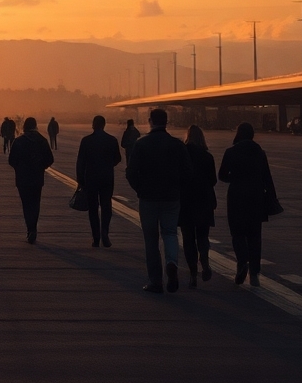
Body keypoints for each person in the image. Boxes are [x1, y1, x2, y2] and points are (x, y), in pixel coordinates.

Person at [126, 107, 192, 293]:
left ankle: (156, 280)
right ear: (167, 122)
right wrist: (178, 189)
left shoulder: (141, 144)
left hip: (148, 197)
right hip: (171, 196)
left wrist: (140, 189)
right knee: (170, 233)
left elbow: (131, 172)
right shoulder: (177, 145)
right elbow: (188, 172)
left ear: (150, 121)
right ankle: (171, 262)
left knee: (151, 239)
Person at [219, 122, 279, 287]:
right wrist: (272, 199)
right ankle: (254, 274)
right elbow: (267, 177)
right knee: (254, 236)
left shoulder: (231, 152)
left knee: (237, 233)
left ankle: (242, 261)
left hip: (237, 197)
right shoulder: (259, 153)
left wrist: (236, 179)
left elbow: (222, 175)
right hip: (256, 197)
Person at [75, 114, 122, 248]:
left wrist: (80, 179)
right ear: (104, 125)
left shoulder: (86, 141)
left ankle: (96, 237)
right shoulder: (112, 140)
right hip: (107, 177)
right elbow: (117, 158)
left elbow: (80, 162)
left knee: (93, 208)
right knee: (106, 205)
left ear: (93, 125)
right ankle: (105, 232)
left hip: (91, 178)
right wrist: (108, 165)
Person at [179, 125, 217, 286]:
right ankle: (205, 261)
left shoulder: (182, 154)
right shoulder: (207, 157)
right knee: (202, 235)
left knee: (188, 238)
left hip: (186, 201)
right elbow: (213, 180)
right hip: (204, 201)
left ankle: (193, 272)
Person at [8, 117, 54, 243]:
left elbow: (11, 160)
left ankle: (30, 228)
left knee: (26, 204)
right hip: (37, 178)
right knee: (35, 203)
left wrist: (19, 168)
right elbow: (50, 159)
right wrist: (41, 167)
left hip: (23, 179)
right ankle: (33, 227)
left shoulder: (18, 141)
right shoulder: (42, 140)